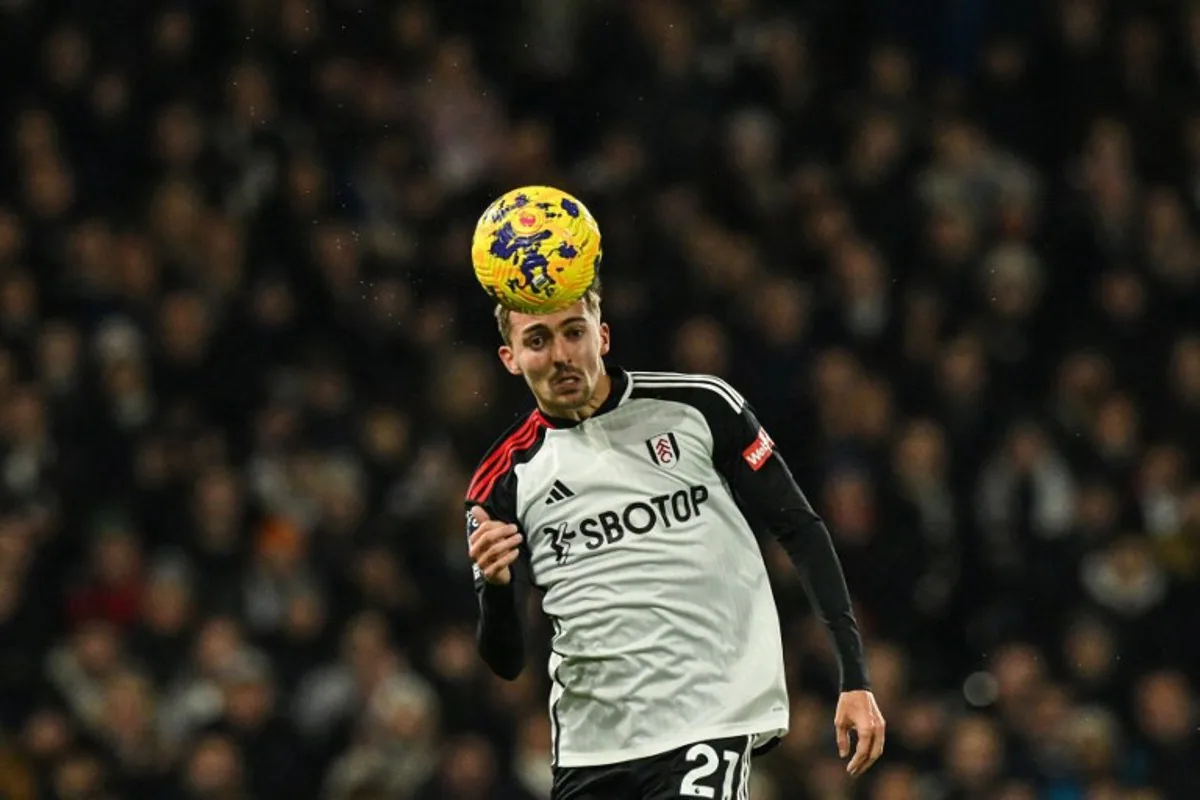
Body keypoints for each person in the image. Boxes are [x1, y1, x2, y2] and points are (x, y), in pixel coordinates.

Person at [466, 283, 885, 799]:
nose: (560, 356)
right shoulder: (501, 483)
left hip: (710, 717)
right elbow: (505, 662)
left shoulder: (697, 406)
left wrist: (855, 676)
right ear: (510, 358)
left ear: (603, 334)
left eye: (574, 332)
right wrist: (494, 585)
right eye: (537, 341)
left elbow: (799, 528)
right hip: (590, 747)